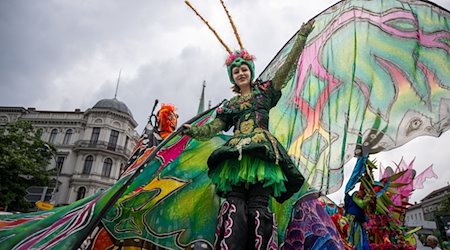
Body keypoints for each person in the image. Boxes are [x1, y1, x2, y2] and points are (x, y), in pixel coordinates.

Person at [182, 19, 314, 249]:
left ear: (250, 72)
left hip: (261, 155)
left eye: (244, 69)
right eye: (236, 71)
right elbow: (212, 128)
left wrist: (301, 38)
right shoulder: (230, 105)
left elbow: (286, 70)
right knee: (233, 204)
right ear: (232, 77)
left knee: (257, 205)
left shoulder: (264, 92)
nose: (240, 73)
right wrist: (193, 131)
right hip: (234, 157)